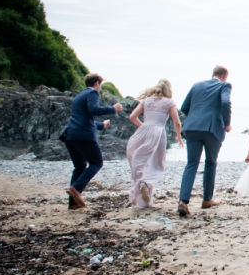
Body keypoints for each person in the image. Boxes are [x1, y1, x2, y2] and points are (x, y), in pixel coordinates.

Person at [61, 73, 123, 210]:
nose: (100, 87)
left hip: (70, 135)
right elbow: (94, 109)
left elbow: (84, 117)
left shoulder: (79, 96)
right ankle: (76, 188)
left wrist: (102, 125)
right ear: (96, 83)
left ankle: (73, 203)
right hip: (84, 135)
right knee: (96, 163)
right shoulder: (93, 93)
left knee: (80, 166)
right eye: (100, 84)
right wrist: (114, 108)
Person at [177, 65, 232, 217]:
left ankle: (183, 201)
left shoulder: (196, 85)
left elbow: (184, 107)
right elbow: (225, 103)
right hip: (212, 128)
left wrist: (195, 117)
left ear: (213, 74)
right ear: (224, 76)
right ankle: (207, 199)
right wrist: (227, 123)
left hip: (192, 127)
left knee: (191, 163)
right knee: (211, 162)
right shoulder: (224, 85)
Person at [126, 79, 183, 209]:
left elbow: (132, 117)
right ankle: (145, 185)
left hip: (143, 131)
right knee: (155, 163)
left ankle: (142, 188)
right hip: (158, 133)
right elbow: (177, 122)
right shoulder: (169, 102)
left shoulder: (146, 101)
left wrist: (144, 127)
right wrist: (178, 137)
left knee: (139, 160)